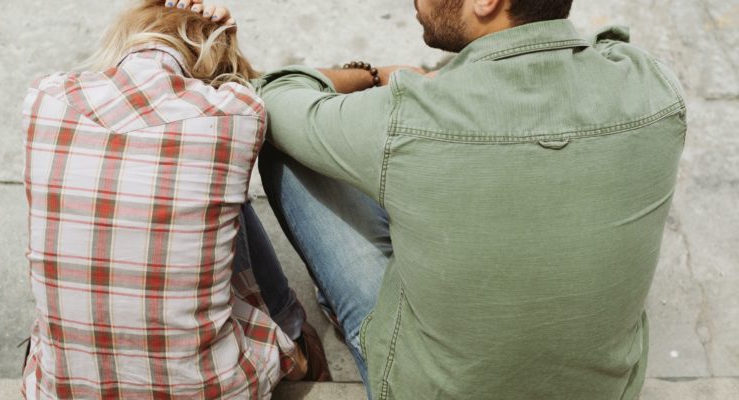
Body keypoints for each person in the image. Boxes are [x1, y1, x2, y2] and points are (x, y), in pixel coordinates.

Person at [232, 0, 684, 399]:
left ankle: (330, 312)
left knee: (289, 148)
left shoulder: (411, 114)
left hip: (425, 391)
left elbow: (272, 95)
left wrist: (374, 76)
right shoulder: (655, 89)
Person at [20, 1, 329, 399]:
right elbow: (254, 90)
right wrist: (223, 39)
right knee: (219, 194)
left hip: (62, 389)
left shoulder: (46, 99)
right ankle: (298, 346)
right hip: (212, 390)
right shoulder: (236, 112)